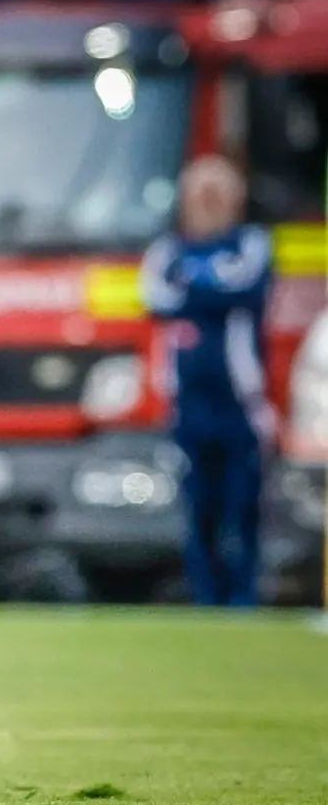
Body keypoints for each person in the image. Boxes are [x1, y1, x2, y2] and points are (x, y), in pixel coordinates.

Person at [142, 155, 275, 606]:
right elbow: (157, 300)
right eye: (201, 196)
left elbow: (245, 290)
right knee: (198, 503)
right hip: (188, 400)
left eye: (217, 196)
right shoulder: (167, 251)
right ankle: (205, 596)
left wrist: (194, 287)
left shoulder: (250, 243)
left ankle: (244, 596)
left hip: (240, 399)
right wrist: (208, 288)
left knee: (243, 502)